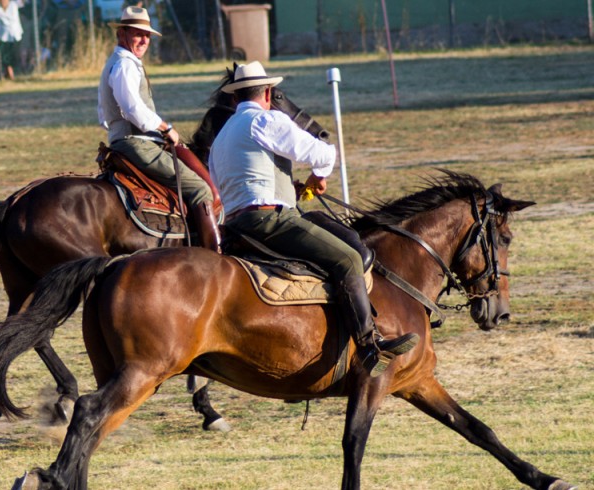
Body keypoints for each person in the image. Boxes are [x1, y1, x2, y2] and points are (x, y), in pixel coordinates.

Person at [208, 62, 419, 377]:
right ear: (267, 92)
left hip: (236, 225)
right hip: (269, 221)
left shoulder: (222, 136)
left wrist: (285, 189)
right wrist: (319, 178)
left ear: (236, 96)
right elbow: (323, 154)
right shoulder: (266, 120)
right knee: (348, 258)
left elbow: (234, 184)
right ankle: (368, 346)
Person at [98, 6, 220, 252]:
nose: (144, 40)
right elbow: (132, 107)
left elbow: (104, 113)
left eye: (147, 36)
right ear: (121, 34)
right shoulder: (125, 65)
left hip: (129, 139)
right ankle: (216, 255)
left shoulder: (120, 62)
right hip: (136, 142)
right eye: (137, 34)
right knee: (200, 189)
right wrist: (165, 127)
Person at [0, 0, 24, 80]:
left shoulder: (13, 4)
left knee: (14, 56)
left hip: (15, 35)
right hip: (4, 38)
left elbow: (22, 2)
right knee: (5, 57)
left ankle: (12, 74)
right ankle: (10, 74)